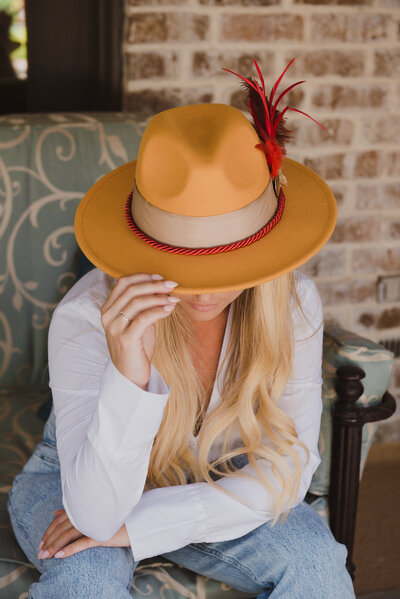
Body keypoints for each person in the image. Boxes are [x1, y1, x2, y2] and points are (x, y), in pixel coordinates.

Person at [7, 59, 356, 598]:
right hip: (76, 479)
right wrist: (128, 372)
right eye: (184, 265)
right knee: (86, 582)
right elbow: (97, 514)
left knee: (316, 567)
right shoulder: (85, 317)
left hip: (227, 475)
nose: (206, 290)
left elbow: (291, 463)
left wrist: (144, 526)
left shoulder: (292, 304)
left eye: (226, 267)